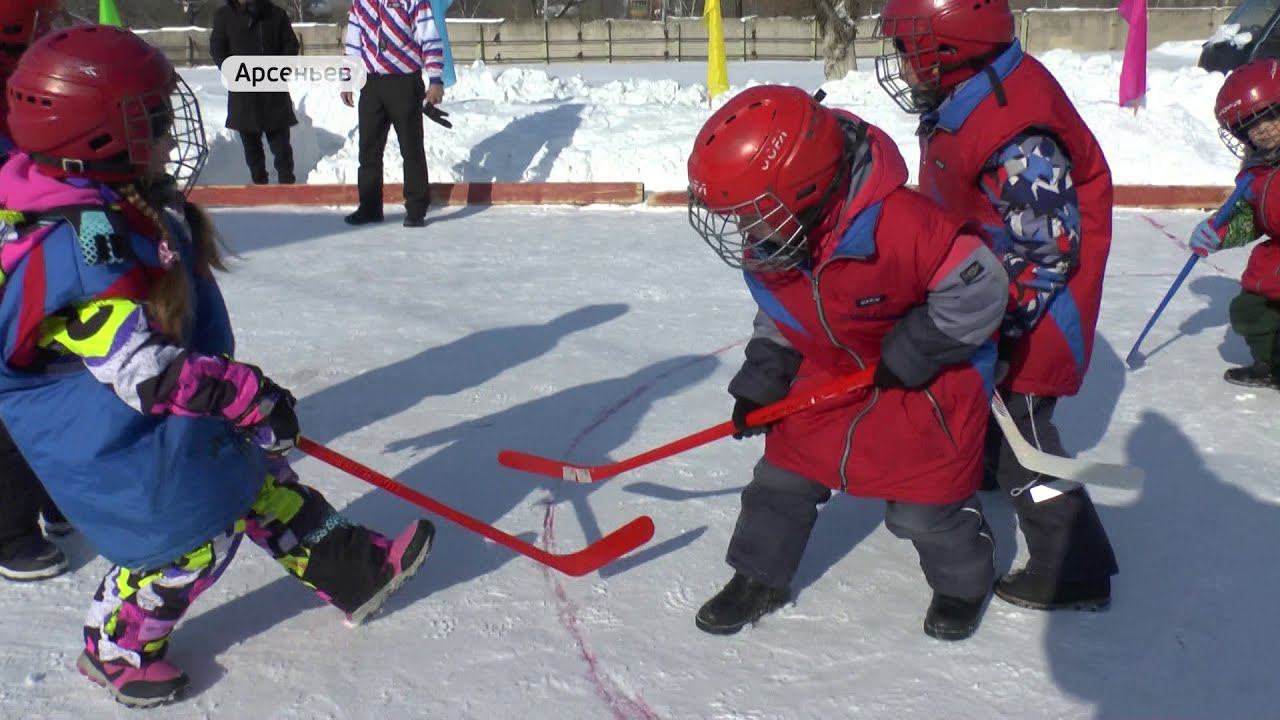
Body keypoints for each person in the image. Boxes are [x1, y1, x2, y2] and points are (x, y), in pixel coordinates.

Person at [0, 25, 434, 707]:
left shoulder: (109, 202)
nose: (171, 136)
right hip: (114, 440)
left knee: (259, 480)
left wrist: (237, 396)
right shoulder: (80, 247)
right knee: (190, 540)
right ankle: (115, 645)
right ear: (94, 140)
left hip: (157, 423)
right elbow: (145, 373)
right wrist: (244, 394)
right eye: (153, 123)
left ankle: (352, 568)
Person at [686, 84, 1008, 641]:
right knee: (780, 478)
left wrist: (916, 346)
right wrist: (764, 377)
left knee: (920, 513)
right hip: (837, 377)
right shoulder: (779, 241)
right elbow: (785, 314)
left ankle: (964, 581)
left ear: (804, 190)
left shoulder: (904, 226)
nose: (745, 231)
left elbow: (980, 291)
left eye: (753, 214)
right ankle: (758, 575)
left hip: (926, 384)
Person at [874, 0, 1119, 611]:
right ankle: (989, 467)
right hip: (992, 290)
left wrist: (999, 330)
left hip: (1038, 312)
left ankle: (1073, 568)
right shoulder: (968, 97)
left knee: (1025, 441)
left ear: (951, 50)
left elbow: (1047, 252)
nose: (901, 65)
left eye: (911, 51)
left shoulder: (1018, 136)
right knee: (983, 402)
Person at [0, 0, 72, 582]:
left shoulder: (22, 80)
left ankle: (56, 491)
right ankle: (8, 530)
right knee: (12, 389)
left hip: (30, 253)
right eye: (46, 22)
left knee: (58, 372)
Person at [1190, 59, 1280, 389]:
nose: (1262, 129)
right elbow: (1250, 215)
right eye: (1249, 126)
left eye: (1269, 116)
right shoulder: (1254, 172)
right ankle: (1272, 365)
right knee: (1250, 308)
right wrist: (1219, 230)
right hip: (1275, 259)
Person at [340, 0, 446, 228]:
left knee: (411, 148)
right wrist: (347, 80)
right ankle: (369, 208)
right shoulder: (361, 3)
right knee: (368, 150)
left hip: (404, 81)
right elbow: (353, 42)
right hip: (371, 83)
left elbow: (429, 37)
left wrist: (435, 79)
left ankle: (416, 209)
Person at [210, 0, 300, 185]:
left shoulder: (276, 14)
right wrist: (232, 70)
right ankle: (259, 185)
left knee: (281, 146)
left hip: (272, 90)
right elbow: (218, 48)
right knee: (251, 147)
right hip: (243, 91)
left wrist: (278, 69)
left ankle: (287, 185)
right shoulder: (224, 16)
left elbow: (290, 45)